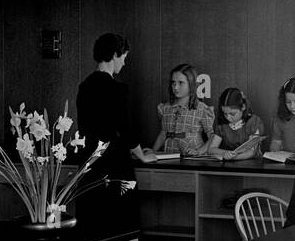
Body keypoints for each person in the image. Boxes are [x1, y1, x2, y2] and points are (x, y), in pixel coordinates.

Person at [75, 33, 150, 222]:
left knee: (92, 222)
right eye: (124, 58)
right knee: (120, 221)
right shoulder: (117, 89)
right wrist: (142, 155)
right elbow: (125, 130)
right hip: (114, 164)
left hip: (89, 162)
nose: (124, 64)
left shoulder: (84, 86)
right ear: (116, 54)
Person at [150, 63, 214, 156]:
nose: (175, 87)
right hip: (169, 155)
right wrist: (153, 151)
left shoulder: (202, 109)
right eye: (173, 83)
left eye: (181, 83)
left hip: (192, 158)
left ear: (191, 84)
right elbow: (163, 134)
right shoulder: (166, 108)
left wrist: (199, 152)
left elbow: (212, 137)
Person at [206, 87, 264, 161]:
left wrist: (233, 157)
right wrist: (226, 153)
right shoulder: (222, 124)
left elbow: (252, 152)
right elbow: (211, 149)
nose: (228, 118)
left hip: (251, 165)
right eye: (225, 113)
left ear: (243, 107)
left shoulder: (253, 122)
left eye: (232, 114)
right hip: (229, 165)